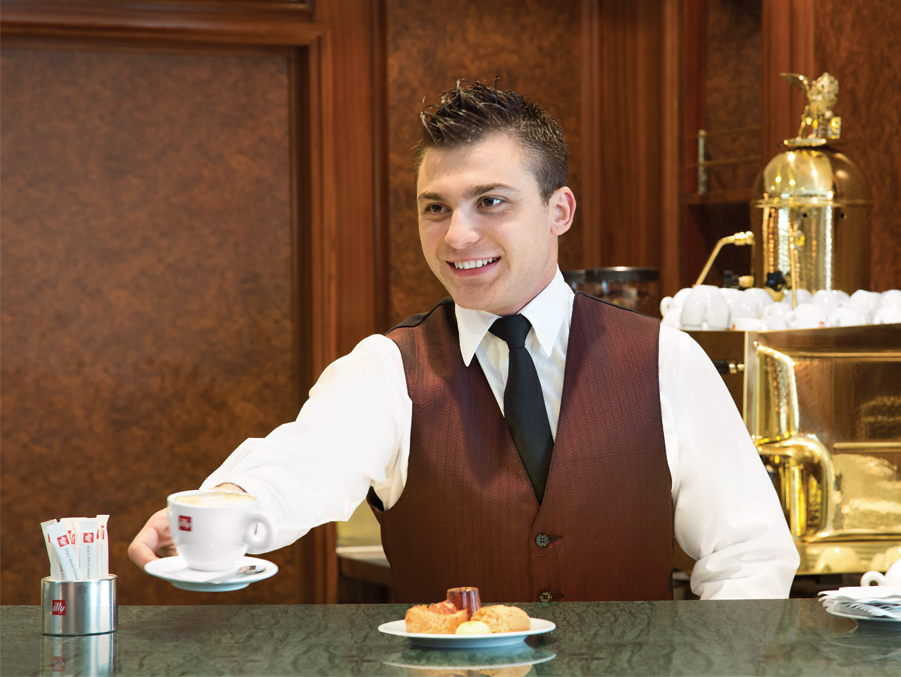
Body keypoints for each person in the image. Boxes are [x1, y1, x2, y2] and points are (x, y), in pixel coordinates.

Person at [130, 80, 799, 601]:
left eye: (491, 202)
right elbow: (302, 464)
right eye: (436, 207)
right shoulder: (386, 370)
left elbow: (748, 554)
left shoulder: (664, 359)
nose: (457, 235)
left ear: (559, 210)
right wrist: (226, 509)